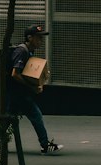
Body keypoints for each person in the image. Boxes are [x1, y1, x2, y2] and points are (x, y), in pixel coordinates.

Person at [7, 23, 62, 154]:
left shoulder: (29, 51)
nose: (41, 41)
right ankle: (45, 145)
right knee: (35, 115)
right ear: (29, 37)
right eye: (38, 38)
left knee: (8, 118)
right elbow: (15, 74)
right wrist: (31, 87)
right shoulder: (22, 51)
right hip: (18, 93)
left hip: (16, 92)